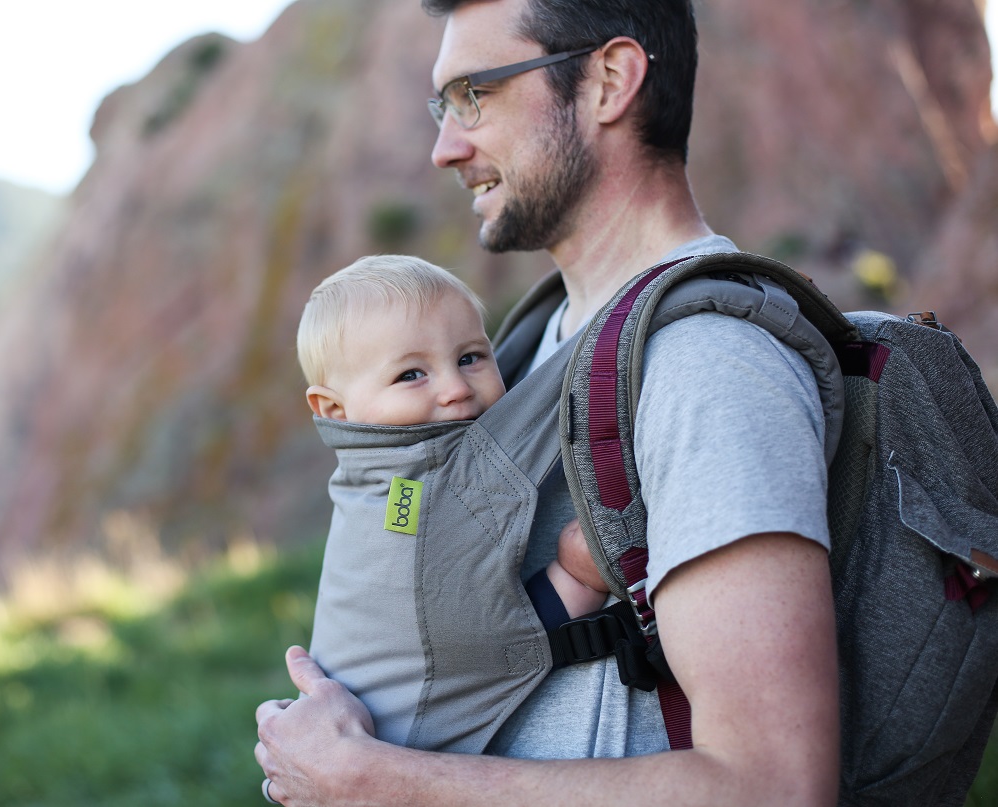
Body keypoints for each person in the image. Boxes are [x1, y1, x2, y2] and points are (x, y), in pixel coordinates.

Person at [256, 0, 840, 804]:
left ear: (608, 81)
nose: (445, 146)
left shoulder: (707, 363)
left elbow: (773, 785)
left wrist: (377, 780)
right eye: (442, 105)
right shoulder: (532, 347)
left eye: (476, 94)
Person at [298, 252, 608, 651]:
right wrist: (575, 578)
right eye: (411, 375)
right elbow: (466, 639)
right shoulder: (413, 498)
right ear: (336, 411)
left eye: (469, 358)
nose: (457, 388)